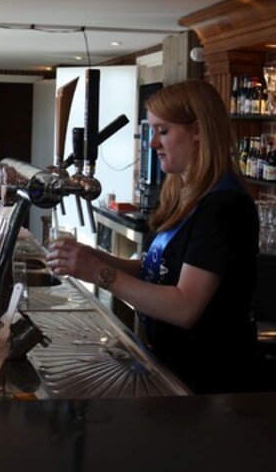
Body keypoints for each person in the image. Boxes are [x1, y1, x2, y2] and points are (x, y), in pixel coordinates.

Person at [46, 80, 259, 393]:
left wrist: (99, 273)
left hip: (210, 383)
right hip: (172, 366)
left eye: (163, 131)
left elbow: (184, 307)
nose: (152, 143)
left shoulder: (224, 206)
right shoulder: (184, 196)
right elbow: (155, 269)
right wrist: (90, 257)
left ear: (198, 131)